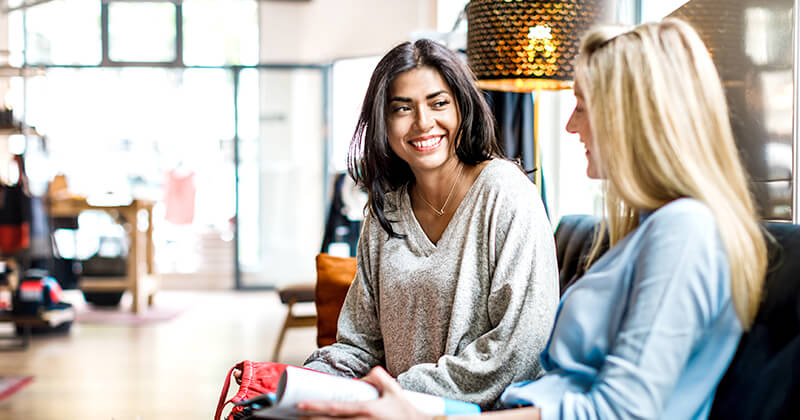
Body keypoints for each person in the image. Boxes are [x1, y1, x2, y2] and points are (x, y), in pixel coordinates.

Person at [296, 18, 769, 420]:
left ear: (632, 117)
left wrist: (418, 409)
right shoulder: (650, 230)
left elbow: (616, 410)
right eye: (403, 108)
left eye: (582, 105)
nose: (570, 124)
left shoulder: (684, 231)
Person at [302, 38, 560, 409]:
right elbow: (359, 344)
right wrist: (307, 382)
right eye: (402, 108)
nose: (423, 122)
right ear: (383, 122)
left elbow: (518, 353)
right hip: (394, 411)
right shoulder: (384, 211)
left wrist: (395, 394)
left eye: (438, 103)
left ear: (462, 108)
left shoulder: (506, 193)